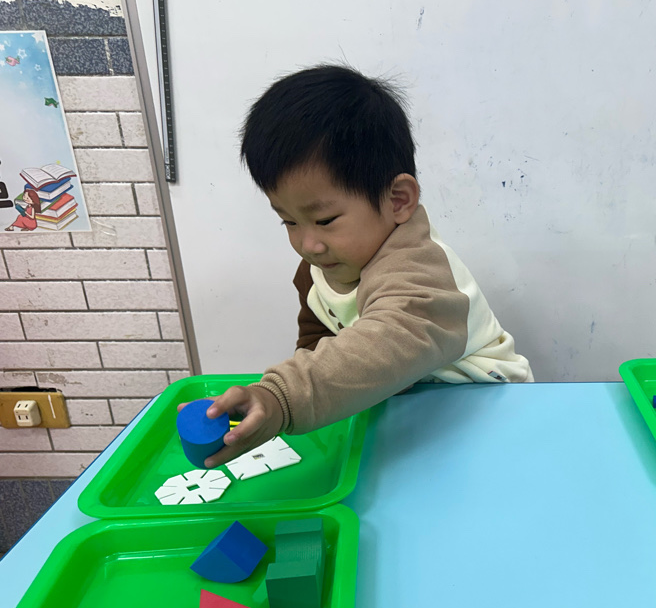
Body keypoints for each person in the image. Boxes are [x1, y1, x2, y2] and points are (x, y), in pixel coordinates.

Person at [194, 65, 533, 467]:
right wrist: (272, 403)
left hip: (492, 410)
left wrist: (283, 398)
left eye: (324, 220)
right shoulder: (319, 268)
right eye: (289, 221)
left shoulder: (420, 268)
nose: (308, 244)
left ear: (398, 200)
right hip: (410, 412)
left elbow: (388, 340)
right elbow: (319, 340)